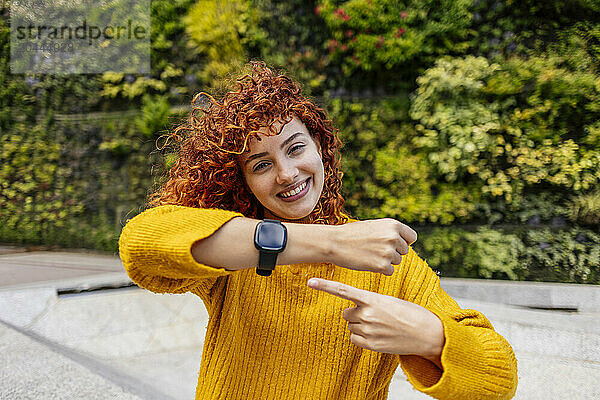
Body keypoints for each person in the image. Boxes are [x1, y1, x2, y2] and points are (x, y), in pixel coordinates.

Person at [118, 61, 518, 400]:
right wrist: (332, 242)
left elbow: (500, 379)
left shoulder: (386, 260)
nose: (286, 173)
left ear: (320, 147)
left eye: (295, 148)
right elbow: (140, 244)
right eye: (260, 164)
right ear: (242, 182)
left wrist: (429, 337)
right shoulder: (234, 249)